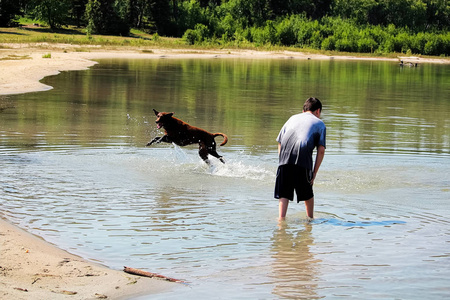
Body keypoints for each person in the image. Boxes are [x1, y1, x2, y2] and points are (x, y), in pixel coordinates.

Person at [275, 97, 326, 221]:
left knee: (284, 193)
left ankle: (281, 220)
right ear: (318, 111)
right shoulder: (320, 124)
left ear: (303, 110)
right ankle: (310, 220)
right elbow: (321, 150)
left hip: (284, 160)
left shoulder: (292, 118)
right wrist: (314, 173)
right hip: (302, 160)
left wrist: (282, 162)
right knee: (307, 193)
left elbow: (280, 142)